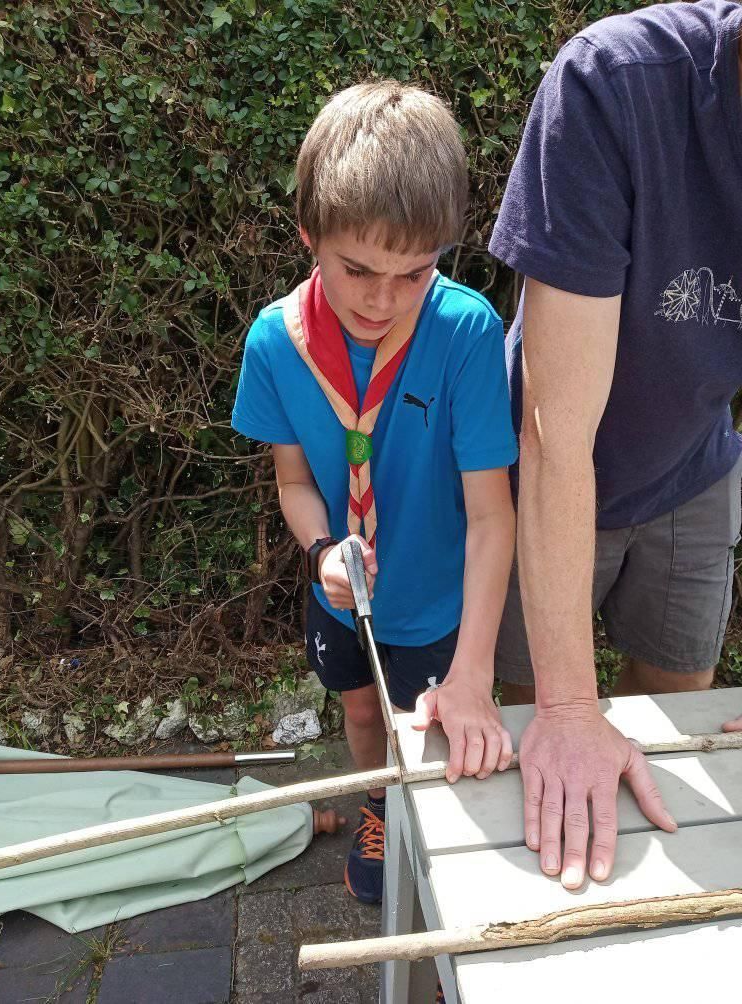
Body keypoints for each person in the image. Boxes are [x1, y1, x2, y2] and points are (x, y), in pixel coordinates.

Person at [232, 81, 518, 903]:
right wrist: (323, 551)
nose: (382, 300)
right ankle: (379, 807)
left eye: (414, 272)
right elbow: (294, 481)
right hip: (343, 601)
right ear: (309, 237)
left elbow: (494, 516)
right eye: (357, 269)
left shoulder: (465, 331)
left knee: (432, 746)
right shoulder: (275, 344)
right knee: (364, 720)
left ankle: (427, 833)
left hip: (436, 609)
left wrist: (472, 674)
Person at [490, 0, 742, 892]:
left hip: (696, 467)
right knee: (533, 733)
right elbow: (560, 433)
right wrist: (567, 707)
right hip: (554, 475)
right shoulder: (612, 86)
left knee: (683, 712)